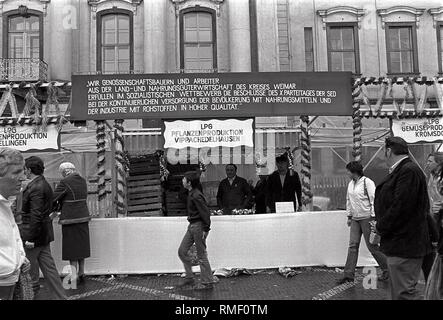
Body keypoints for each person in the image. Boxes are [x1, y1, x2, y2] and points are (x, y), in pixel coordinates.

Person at [374, 137, 430, 300]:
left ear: (389, 151)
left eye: (384, 151)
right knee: (399, 292)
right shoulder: (404, 170)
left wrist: (380, 226)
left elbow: (401, 207)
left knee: (404, 293)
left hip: (405, 244)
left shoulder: (408, 171)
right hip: (401, 243)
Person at [20, 156, 67, 300]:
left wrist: (31, 239)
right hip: (43, 236)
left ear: (29, 170)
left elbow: (36, 215)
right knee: (50, 271)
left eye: (24, 169)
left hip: (33, 237)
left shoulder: (36, 187)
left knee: (28, 274)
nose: (24, 172)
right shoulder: (43, 184)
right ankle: (61, 297)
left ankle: (30, 297)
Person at [336, 161, 388, 284]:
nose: (347, 173)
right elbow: (348, 200)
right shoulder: (350, 184)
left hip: (367, 218)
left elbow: (374, 200)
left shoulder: (367, 182)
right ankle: (348, 275)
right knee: (353, 246)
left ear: (354, 171)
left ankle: (388, 269)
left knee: (372, 247)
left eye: (348, 171)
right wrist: (349, 215)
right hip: (355, 218)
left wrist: (374, 217)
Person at [53, 162, 91, 287]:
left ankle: (73, 276)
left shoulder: (65, 182)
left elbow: (54, 197)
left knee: (72, 248)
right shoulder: (82, 180)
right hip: (83, 216)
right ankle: (82, 272)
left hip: (70, 218)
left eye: (62, 172)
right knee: (82, 245)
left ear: (65, 171)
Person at [0, 148, 30, 300]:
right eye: (16, 172)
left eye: (23, 172)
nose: (23, 177)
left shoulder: (5, 203)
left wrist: (20, 257)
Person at [177, 171, 215, 290]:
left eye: (184, 179)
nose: (182, 180)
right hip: (192, 225)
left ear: (189, 183)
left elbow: (205, 212)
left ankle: (207, 282)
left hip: (198, 226)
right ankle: (189, 277)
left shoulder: (196, 195)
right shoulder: (191, 193)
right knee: (182, 251)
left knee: (201, 254)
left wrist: (206, 228)